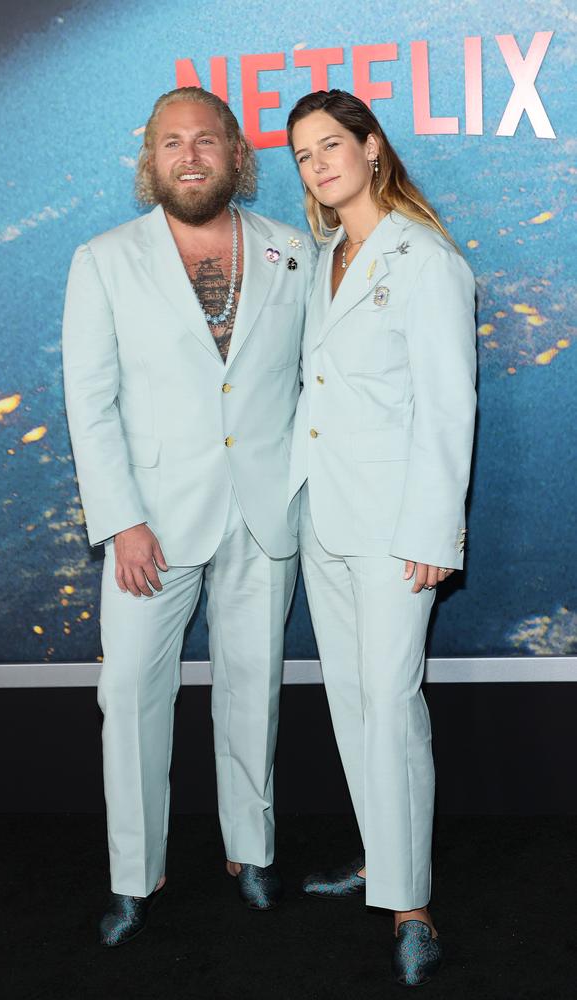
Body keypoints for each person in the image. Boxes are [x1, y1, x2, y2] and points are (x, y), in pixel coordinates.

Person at [62, 86, 314, 947]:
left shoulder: (293, 251)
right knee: (130, 692)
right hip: (150, 526)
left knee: (256, 687)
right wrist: (120, 521)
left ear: (237, 153)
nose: (191, 154)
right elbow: (89, 405)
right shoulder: (103, 260)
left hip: (264, 509)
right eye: (172, 142)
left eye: (207, 139)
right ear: (152, 160)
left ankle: (253, 852)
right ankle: (136, 876)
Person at [286, 89, 477, 986]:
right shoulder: (326, 254)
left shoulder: (426, 257)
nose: (318, 165)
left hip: (399, 529)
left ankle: (412, 907)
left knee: (393, 708)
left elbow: (448, 406)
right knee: (354, 706)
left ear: (371, 149)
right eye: (301, 156)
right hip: (326, 515)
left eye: (330, 146)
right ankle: (380, 861)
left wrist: (436, 528)